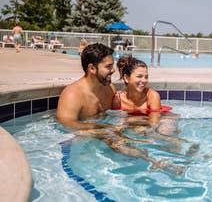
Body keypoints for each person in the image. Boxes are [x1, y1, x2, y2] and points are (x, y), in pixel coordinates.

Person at [57, 43, 183, 174]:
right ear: (92, 68)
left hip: (108, 129)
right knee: (115, 139)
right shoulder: (72, 95)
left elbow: (119, 115)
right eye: (108, 66)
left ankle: (167, 157)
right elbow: (66, 125)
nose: (113, 70)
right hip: (86, 134)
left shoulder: (108, 88)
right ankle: (155, 161)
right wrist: (104, 129)